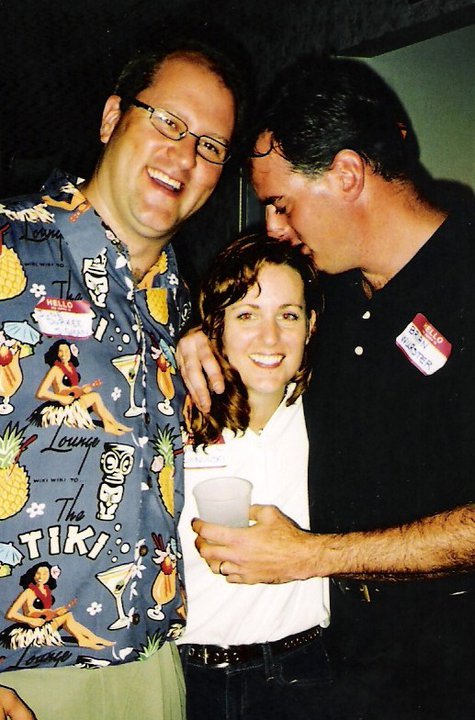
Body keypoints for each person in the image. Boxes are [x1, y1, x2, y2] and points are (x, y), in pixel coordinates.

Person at [177, 56, 475, 719]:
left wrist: (312, 556)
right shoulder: (328, 294)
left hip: (448, 672)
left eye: (280, 204)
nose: (273, 228)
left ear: (346, 175)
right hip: (332, 668)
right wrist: (193, 333)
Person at [0, 34, 245, 720]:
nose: (185, 155)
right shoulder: (8, 246)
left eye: (210, 146)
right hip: (23, 681)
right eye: (168, 121)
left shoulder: (176, 300)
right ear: (112, 118)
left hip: (153, 671)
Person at [176, 233, 332, 720]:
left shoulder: (328, 414)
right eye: (246, 315)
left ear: (310, 326)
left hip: (304, 673)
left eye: (288, 315)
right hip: (189, 679)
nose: (270, 338)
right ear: (216, 327)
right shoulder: (170, 418)